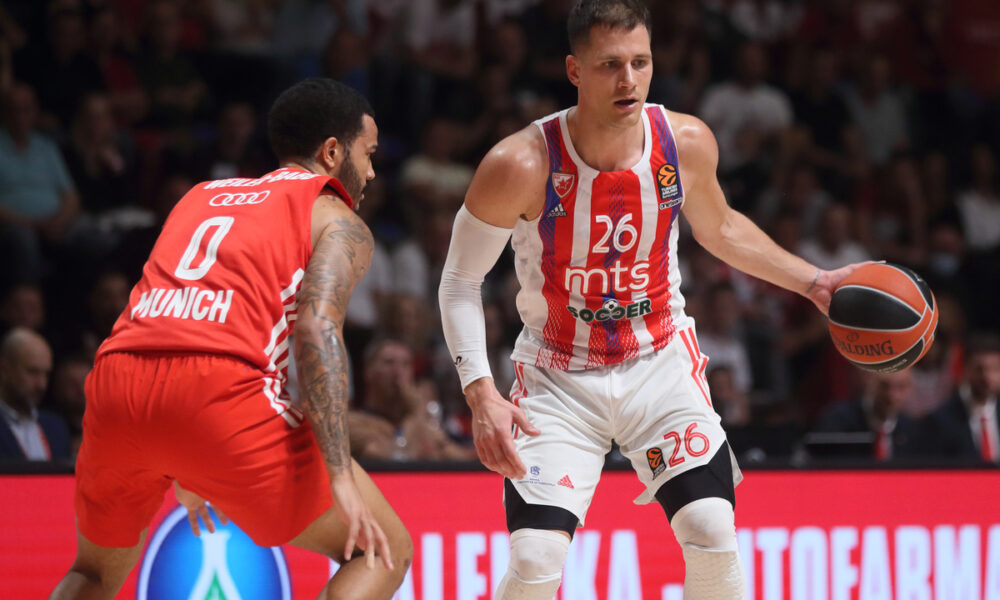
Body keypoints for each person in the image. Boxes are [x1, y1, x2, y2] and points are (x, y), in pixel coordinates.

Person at [437, 2, 869, 598]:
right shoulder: (519, 162)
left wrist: (813, 281)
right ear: (574, 70)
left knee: (712, 527)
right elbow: (460, 281)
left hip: (658, 360)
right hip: (559, 374)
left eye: (640, 62)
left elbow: (721, 229)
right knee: (535, 557)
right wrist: (480, 392)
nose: (629, 80)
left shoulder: (684, 141)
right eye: (610, 64)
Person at [49, 78, 412, 600]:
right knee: (381, 550)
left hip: (116, 381)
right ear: (332, 152)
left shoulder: (200, 196)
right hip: (219, 395)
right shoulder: (337, 218)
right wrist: (340, 476)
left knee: (92, 573)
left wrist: (185, 460)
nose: (373, 170)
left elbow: (186, 313)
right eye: (368, 153)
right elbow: (316, 328)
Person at [808, 369, 925, 462]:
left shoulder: (910, 430)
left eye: (901, 387)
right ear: (870, 383)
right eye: (884, 386)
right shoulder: (837, 419)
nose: (892, 396)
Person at [922, 333, 1000, 463]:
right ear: (965, 369)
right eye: (979, 369)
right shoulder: (940, 420)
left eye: (995, 369)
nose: (987, 377)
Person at [0, 327, 71, 462]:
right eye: (33, 372)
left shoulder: (56, 428)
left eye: (46, 374)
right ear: (4, 369)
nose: (42, 385)